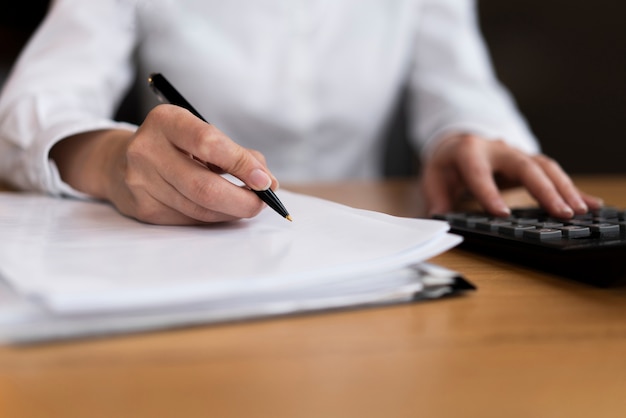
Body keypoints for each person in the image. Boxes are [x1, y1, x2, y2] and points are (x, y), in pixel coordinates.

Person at [0, 0, 602, 225]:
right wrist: (108, 158)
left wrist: (465, 137)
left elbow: (462, 86)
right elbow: (29, 107)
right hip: (177, 245)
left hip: (363, 249)